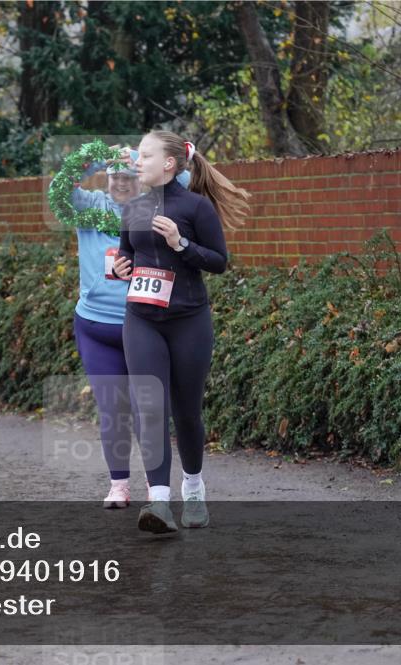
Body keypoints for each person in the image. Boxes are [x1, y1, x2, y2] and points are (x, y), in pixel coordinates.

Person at [111, 130, 249, 532]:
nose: (137, 162)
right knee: (150, 407)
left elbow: (219, 261)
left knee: (186, 412)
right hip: (141, 320)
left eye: (145, 156)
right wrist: (121, 268)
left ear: (169, 163)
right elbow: (127, 255)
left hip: (188, 320)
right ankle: (159, 502)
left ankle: (193, 488)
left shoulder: (196, 207)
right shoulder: (133, 208)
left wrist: (180, 243)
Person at [53, 145, 190, 509]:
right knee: (112, 409)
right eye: (115, 177)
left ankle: (154, 484)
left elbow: (187, 179)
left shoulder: (156, 207)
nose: (121, 183)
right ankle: (118, 486)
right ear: (106, 178)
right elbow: (59, 185)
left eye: (130, 176)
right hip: (96, 326)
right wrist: (98, 155)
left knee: (148, 408)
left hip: (144, 323)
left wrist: (137, 156)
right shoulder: (89, 206)